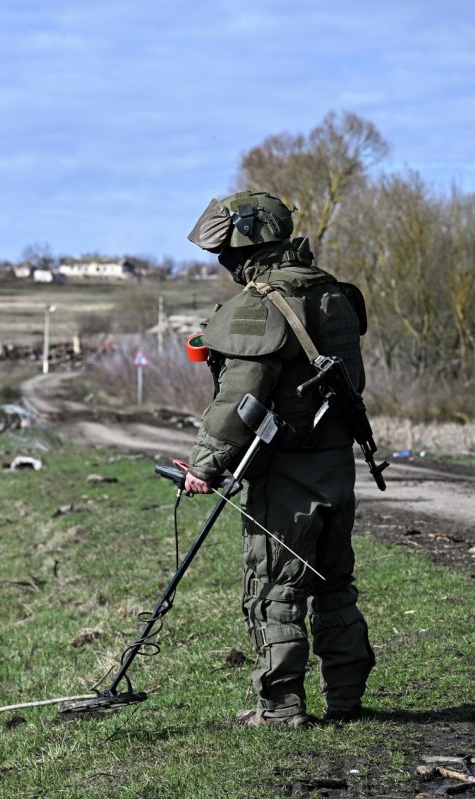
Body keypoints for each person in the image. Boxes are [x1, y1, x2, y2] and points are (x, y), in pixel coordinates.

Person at [182, 191, 375, 727]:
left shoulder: (260, 304)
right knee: (335, 585)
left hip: (286, 471)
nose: (223, 264)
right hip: (337, 465)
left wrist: (204, 466)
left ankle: (282, 707)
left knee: (276, 587)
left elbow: (237, 400)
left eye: (225, 254)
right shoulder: (332, 293)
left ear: (245, 247)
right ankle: (346, 701)